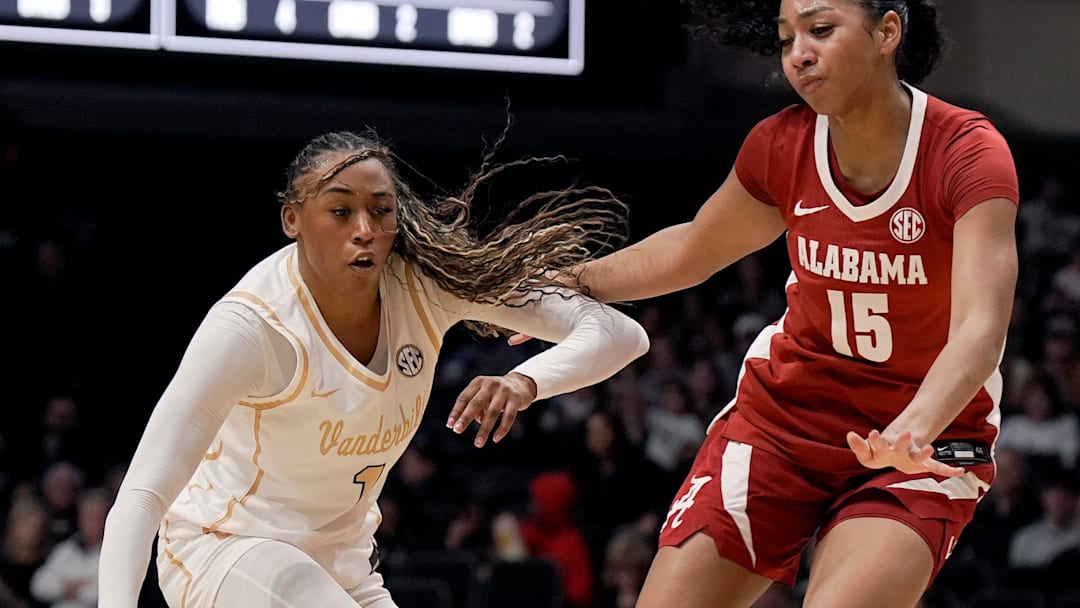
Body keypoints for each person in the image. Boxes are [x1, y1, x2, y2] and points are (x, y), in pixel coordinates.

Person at [512, 1, 1018, 606]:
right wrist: (572, 279)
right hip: (782, 424)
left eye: (821, 31)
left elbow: (981, 327)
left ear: (888, 32)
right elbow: (693, 250)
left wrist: (913, 427)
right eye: (787, 39)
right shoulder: (781, 144)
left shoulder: (966, 150)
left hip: (920, 440)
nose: (799, 54)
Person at [97, 129, 651, 608]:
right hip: (222, 547)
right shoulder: (251, 328)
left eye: (381, 211)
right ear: (293, 219)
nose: (364, 229)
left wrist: (527, 379)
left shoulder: (424, 287)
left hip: (345, 564)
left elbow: (623, 335)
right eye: (340, 211)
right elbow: (142, 496)